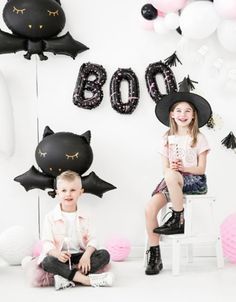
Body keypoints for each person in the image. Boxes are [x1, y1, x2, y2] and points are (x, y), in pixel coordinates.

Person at [145, 77, 212, 275]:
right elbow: (164, 170)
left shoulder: (198, 138)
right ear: (172, 115)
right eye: (179, 110)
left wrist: (185, 167)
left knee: (173, 175)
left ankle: (177, 218)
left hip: (193, 180)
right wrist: (174, 167)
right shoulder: (166, 139)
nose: (183, 114)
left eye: (187, 111)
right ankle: (155, 254)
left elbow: (201, 169)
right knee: (150, 208)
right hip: (172, 180)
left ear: (193, 115)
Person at [38, 170, 114, 290]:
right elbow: (47, 243)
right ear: (57, 193)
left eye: (73, 190)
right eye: (64, 190)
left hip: (80, 256)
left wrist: (86, 256)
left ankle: (67, 276)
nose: (68, 194)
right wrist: (57, 254)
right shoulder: (50, 217)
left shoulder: (87, 215)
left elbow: (93, 239)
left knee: (104, 254)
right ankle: (85, 279)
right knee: (47, 262)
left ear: (80, 192)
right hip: (61, 257)